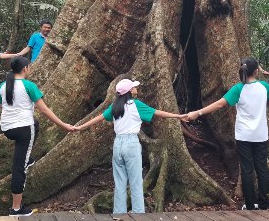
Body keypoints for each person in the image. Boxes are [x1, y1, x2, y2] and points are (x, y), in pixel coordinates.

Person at [185, 58, 269, 210]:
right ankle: (263, 203)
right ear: (256, 71)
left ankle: (249, 205)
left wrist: (198, 112)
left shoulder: (238, 88)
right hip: (261, 135)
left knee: (247, 169)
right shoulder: (263, 86)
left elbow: (220, 103)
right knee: (262, 168)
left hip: (244, 136)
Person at [0, 56, 75, 217]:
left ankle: (26, 159)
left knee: (35, 123)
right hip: (24, 129)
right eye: (30, 66)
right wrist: (64, 125)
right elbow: (44, 110)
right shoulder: (29, 86)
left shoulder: (3, 86)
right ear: (25, 69)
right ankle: (16, 208)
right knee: (19, 167)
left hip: (7, 129)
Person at [75, 79, 186, 214]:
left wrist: (80, 127)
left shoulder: (115, 106)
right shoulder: (136, 104)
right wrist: (178, 116)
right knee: (136, 182)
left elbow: (100, 117)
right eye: (133, 87)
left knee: (120, 182)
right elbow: (157, 112)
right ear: (129, 91)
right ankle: (138, 214)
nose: (136, 89)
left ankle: (119, 213)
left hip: (118, 145)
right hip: (131, 144)